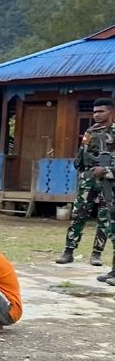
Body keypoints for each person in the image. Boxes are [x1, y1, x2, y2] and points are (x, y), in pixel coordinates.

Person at [61, 98, 114, 266]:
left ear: (111, 112)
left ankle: (96, 254)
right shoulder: (90, 131)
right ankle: (68, 251)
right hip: (89, 178)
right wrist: (82, 170)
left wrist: (106, 170)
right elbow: (82, 153)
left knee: (105, 217)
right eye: (95, 111)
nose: (96, 115)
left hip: (109, 179)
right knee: (78, 214)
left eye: (101, 111)